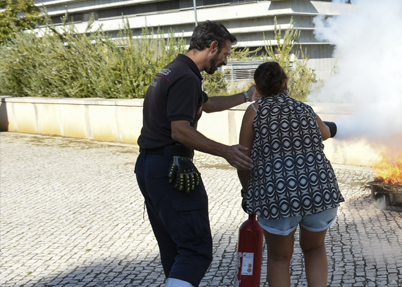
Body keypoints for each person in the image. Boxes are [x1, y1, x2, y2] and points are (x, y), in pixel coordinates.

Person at [135, 20, 254, 287]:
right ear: (212, 47)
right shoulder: (186, 77)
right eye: (225, 54)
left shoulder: (173, 70)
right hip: (171, 167)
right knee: (195, 250)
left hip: (149, 166)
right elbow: (180, 131)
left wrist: (246, 96)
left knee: (175, 249)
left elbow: (207, 104)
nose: (224, 62)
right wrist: (226, 151)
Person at [237, 62, 344, 287]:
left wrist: (248, 194)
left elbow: (243, 160)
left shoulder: (254, 111)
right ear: (285, 82)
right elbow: (325, 132)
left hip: (277, 195)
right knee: (314, 248)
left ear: (257, 87)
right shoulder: (305, 108)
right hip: (319, 190)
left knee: (279, 257)